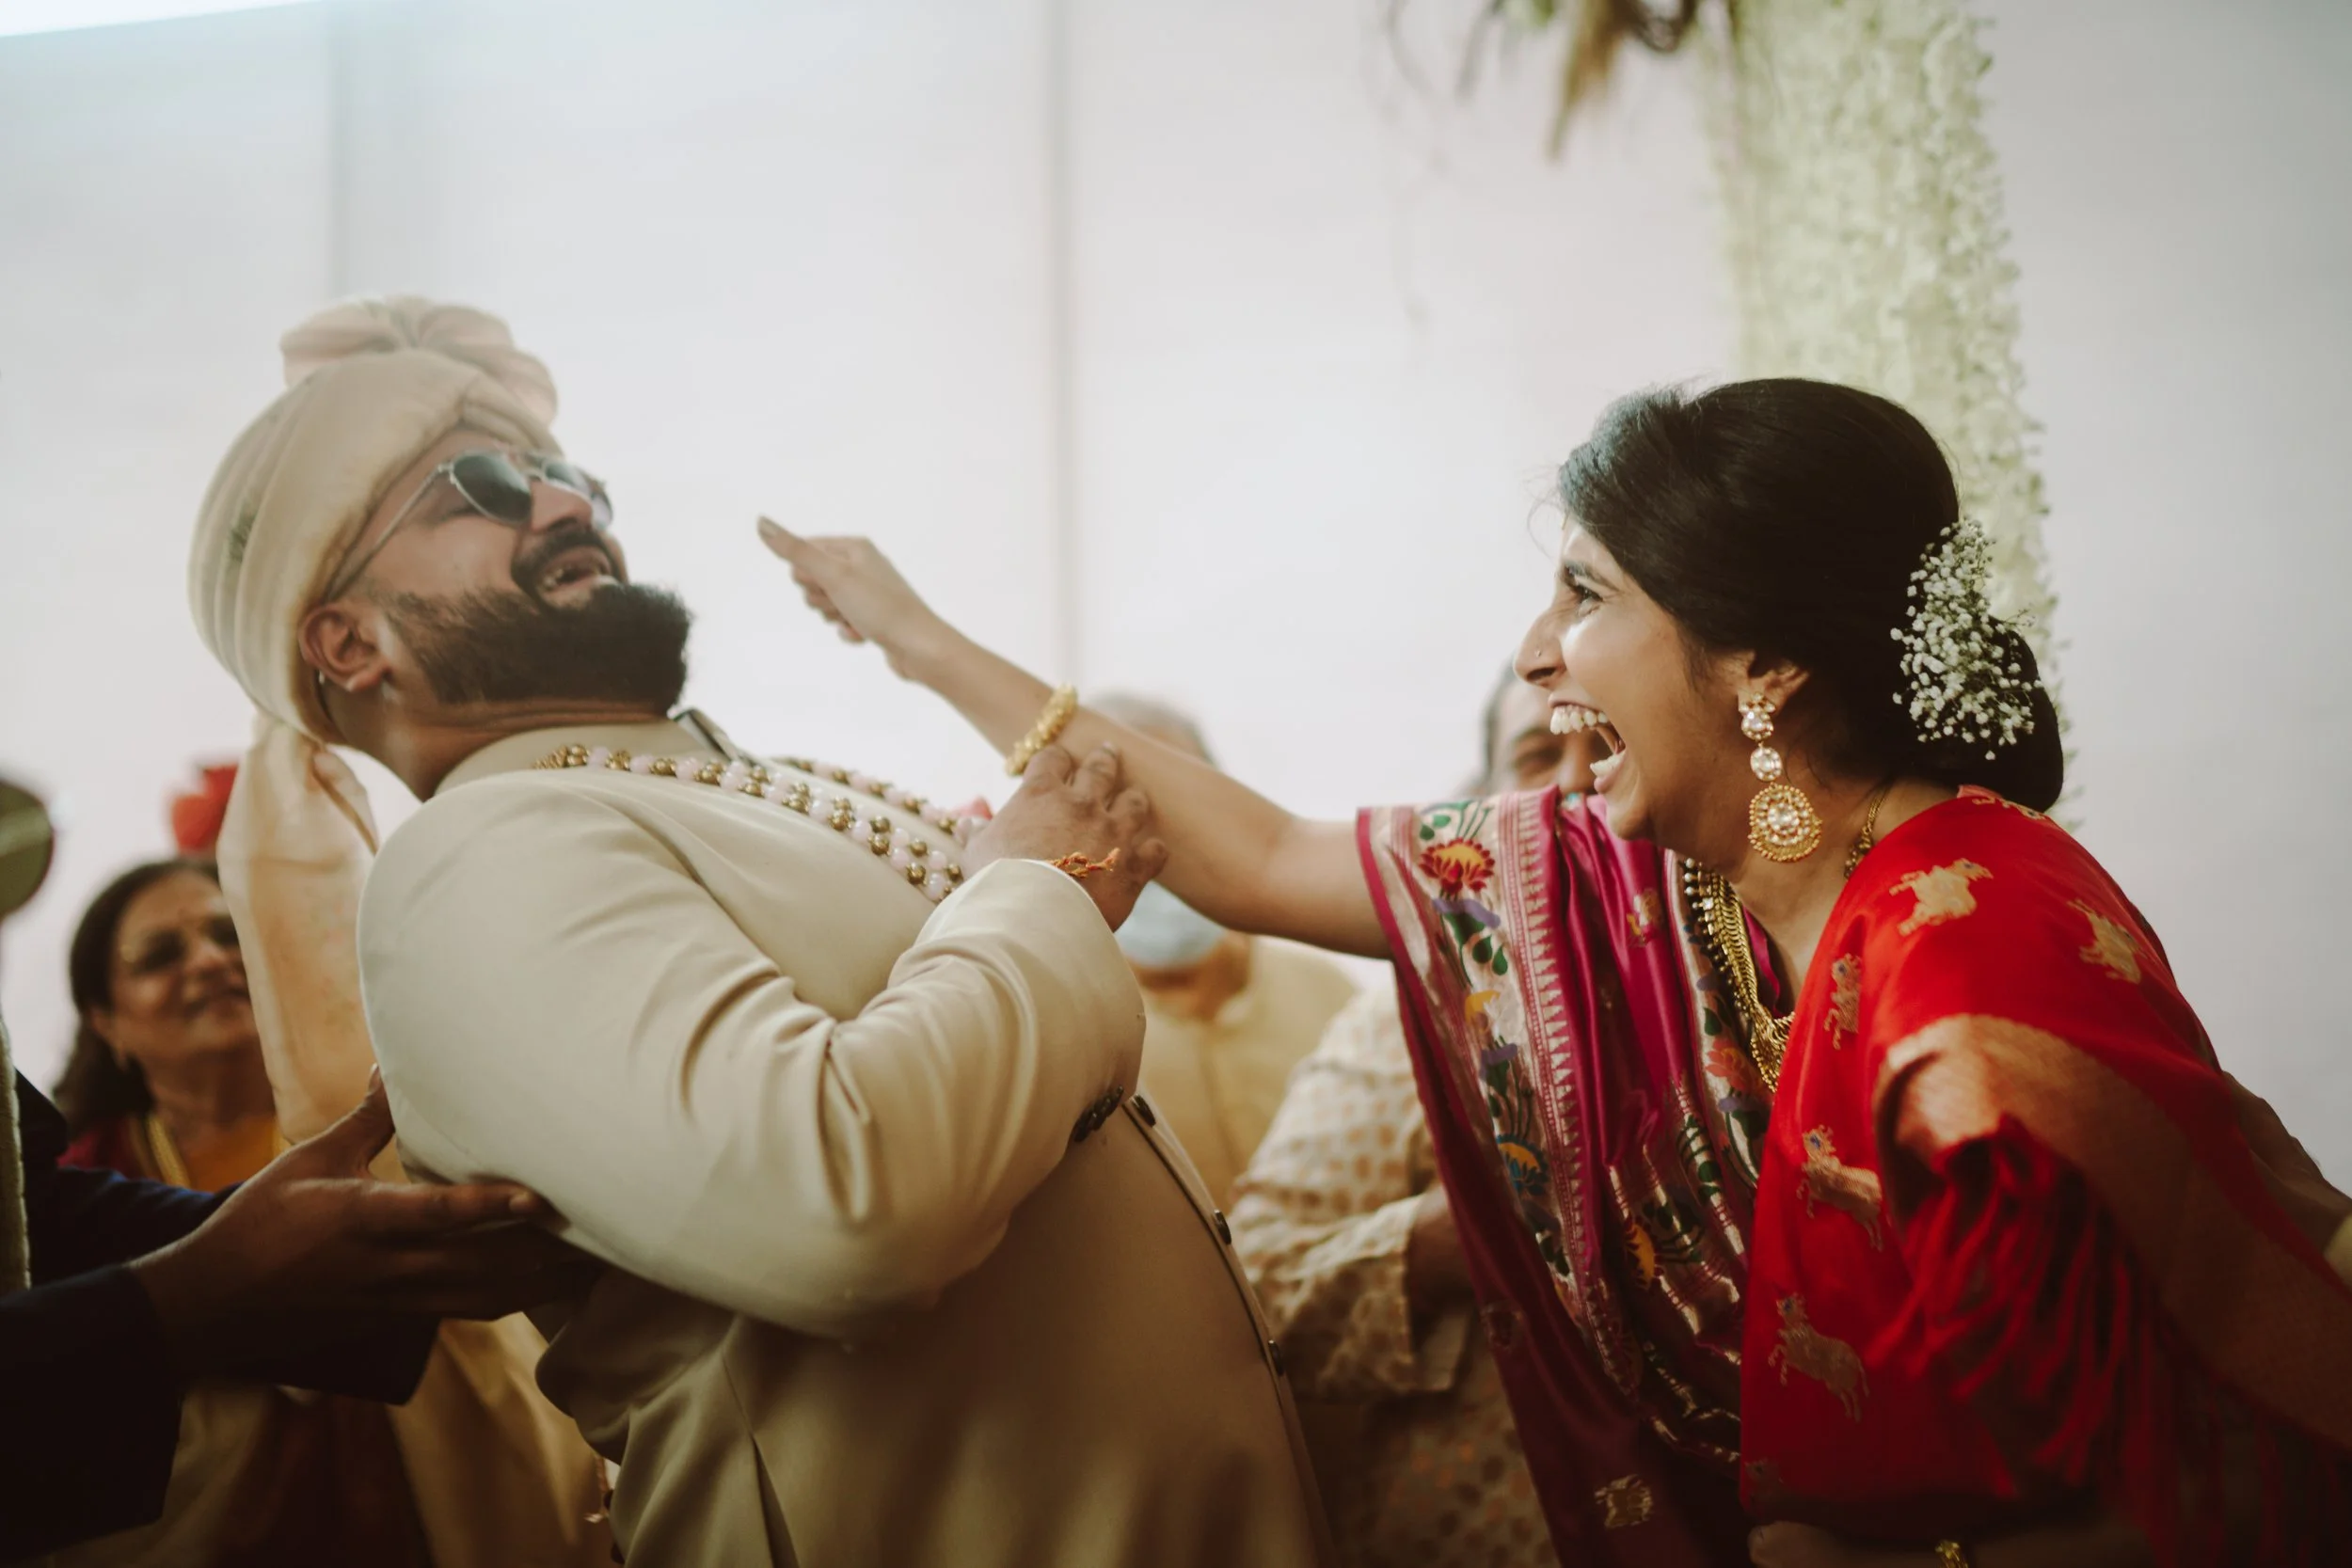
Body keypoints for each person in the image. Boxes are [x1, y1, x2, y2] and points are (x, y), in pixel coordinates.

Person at [767, 376, 2352, 1567]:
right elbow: (1258, 853)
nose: (1539, 655)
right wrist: (918, 638)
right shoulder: (1633, 883)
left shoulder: (1972, 970)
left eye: (1587, 596)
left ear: (1763, 661)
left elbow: (2183, 1434)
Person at [183, 295, 1332, 1567]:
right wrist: (1038, 887)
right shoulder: (476, 858)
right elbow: (846, 1209)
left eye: (570, 477)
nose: (564, 501)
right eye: (481, 486)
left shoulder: (688, 791)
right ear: (350, 640)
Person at [0, 777, 594, 1561]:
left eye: (228, 935)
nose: (207, 960)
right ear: (106, 1022)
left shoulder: (394, 1122)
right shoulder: (86, 1165)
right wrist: (216, 1290)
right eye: (160, 954)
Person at [1229, 671, 1597, 1568]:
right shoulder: (1414, 1016)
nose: (1575, 782)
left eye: (1611, 744)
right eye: (1537, 755)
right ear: (1477, 806)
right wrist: (1457, 1238)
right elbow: (1253, 1294)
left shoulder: (1754, 983)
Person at [1093, 692, 1359, 1204]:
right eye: (1113, 807)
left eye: (1170, 800)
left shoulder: (1333, 998)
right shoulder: (1065, 1039)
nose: (1145, 836)